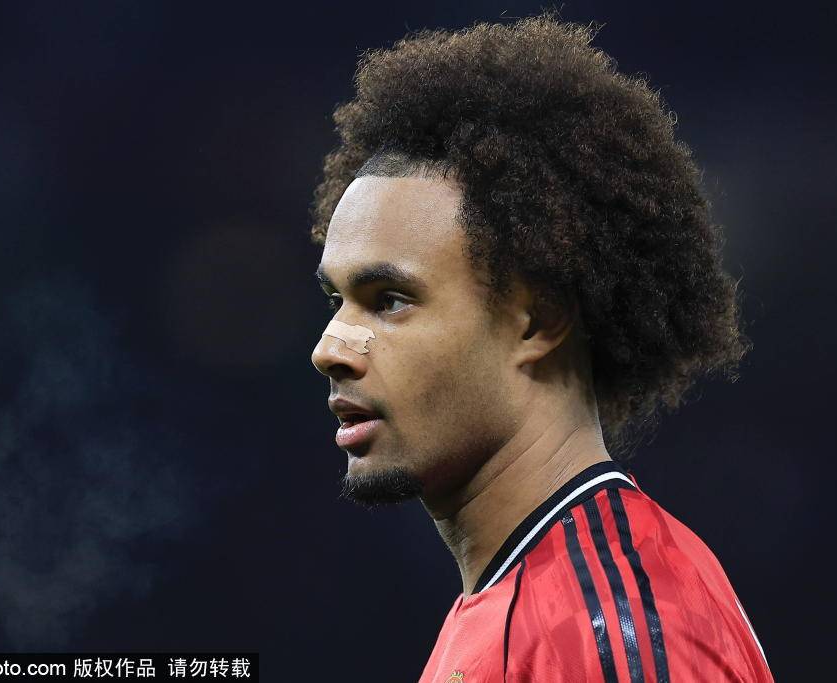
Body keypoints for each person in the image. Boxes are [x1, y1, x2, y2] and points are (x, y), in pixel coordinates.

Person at [309, 11, 773, 682]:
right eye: (337, 301)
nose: (331, 348)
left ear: (537, 321)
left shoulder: (612, 631)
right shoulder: (522, 602)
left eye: (390, 300)